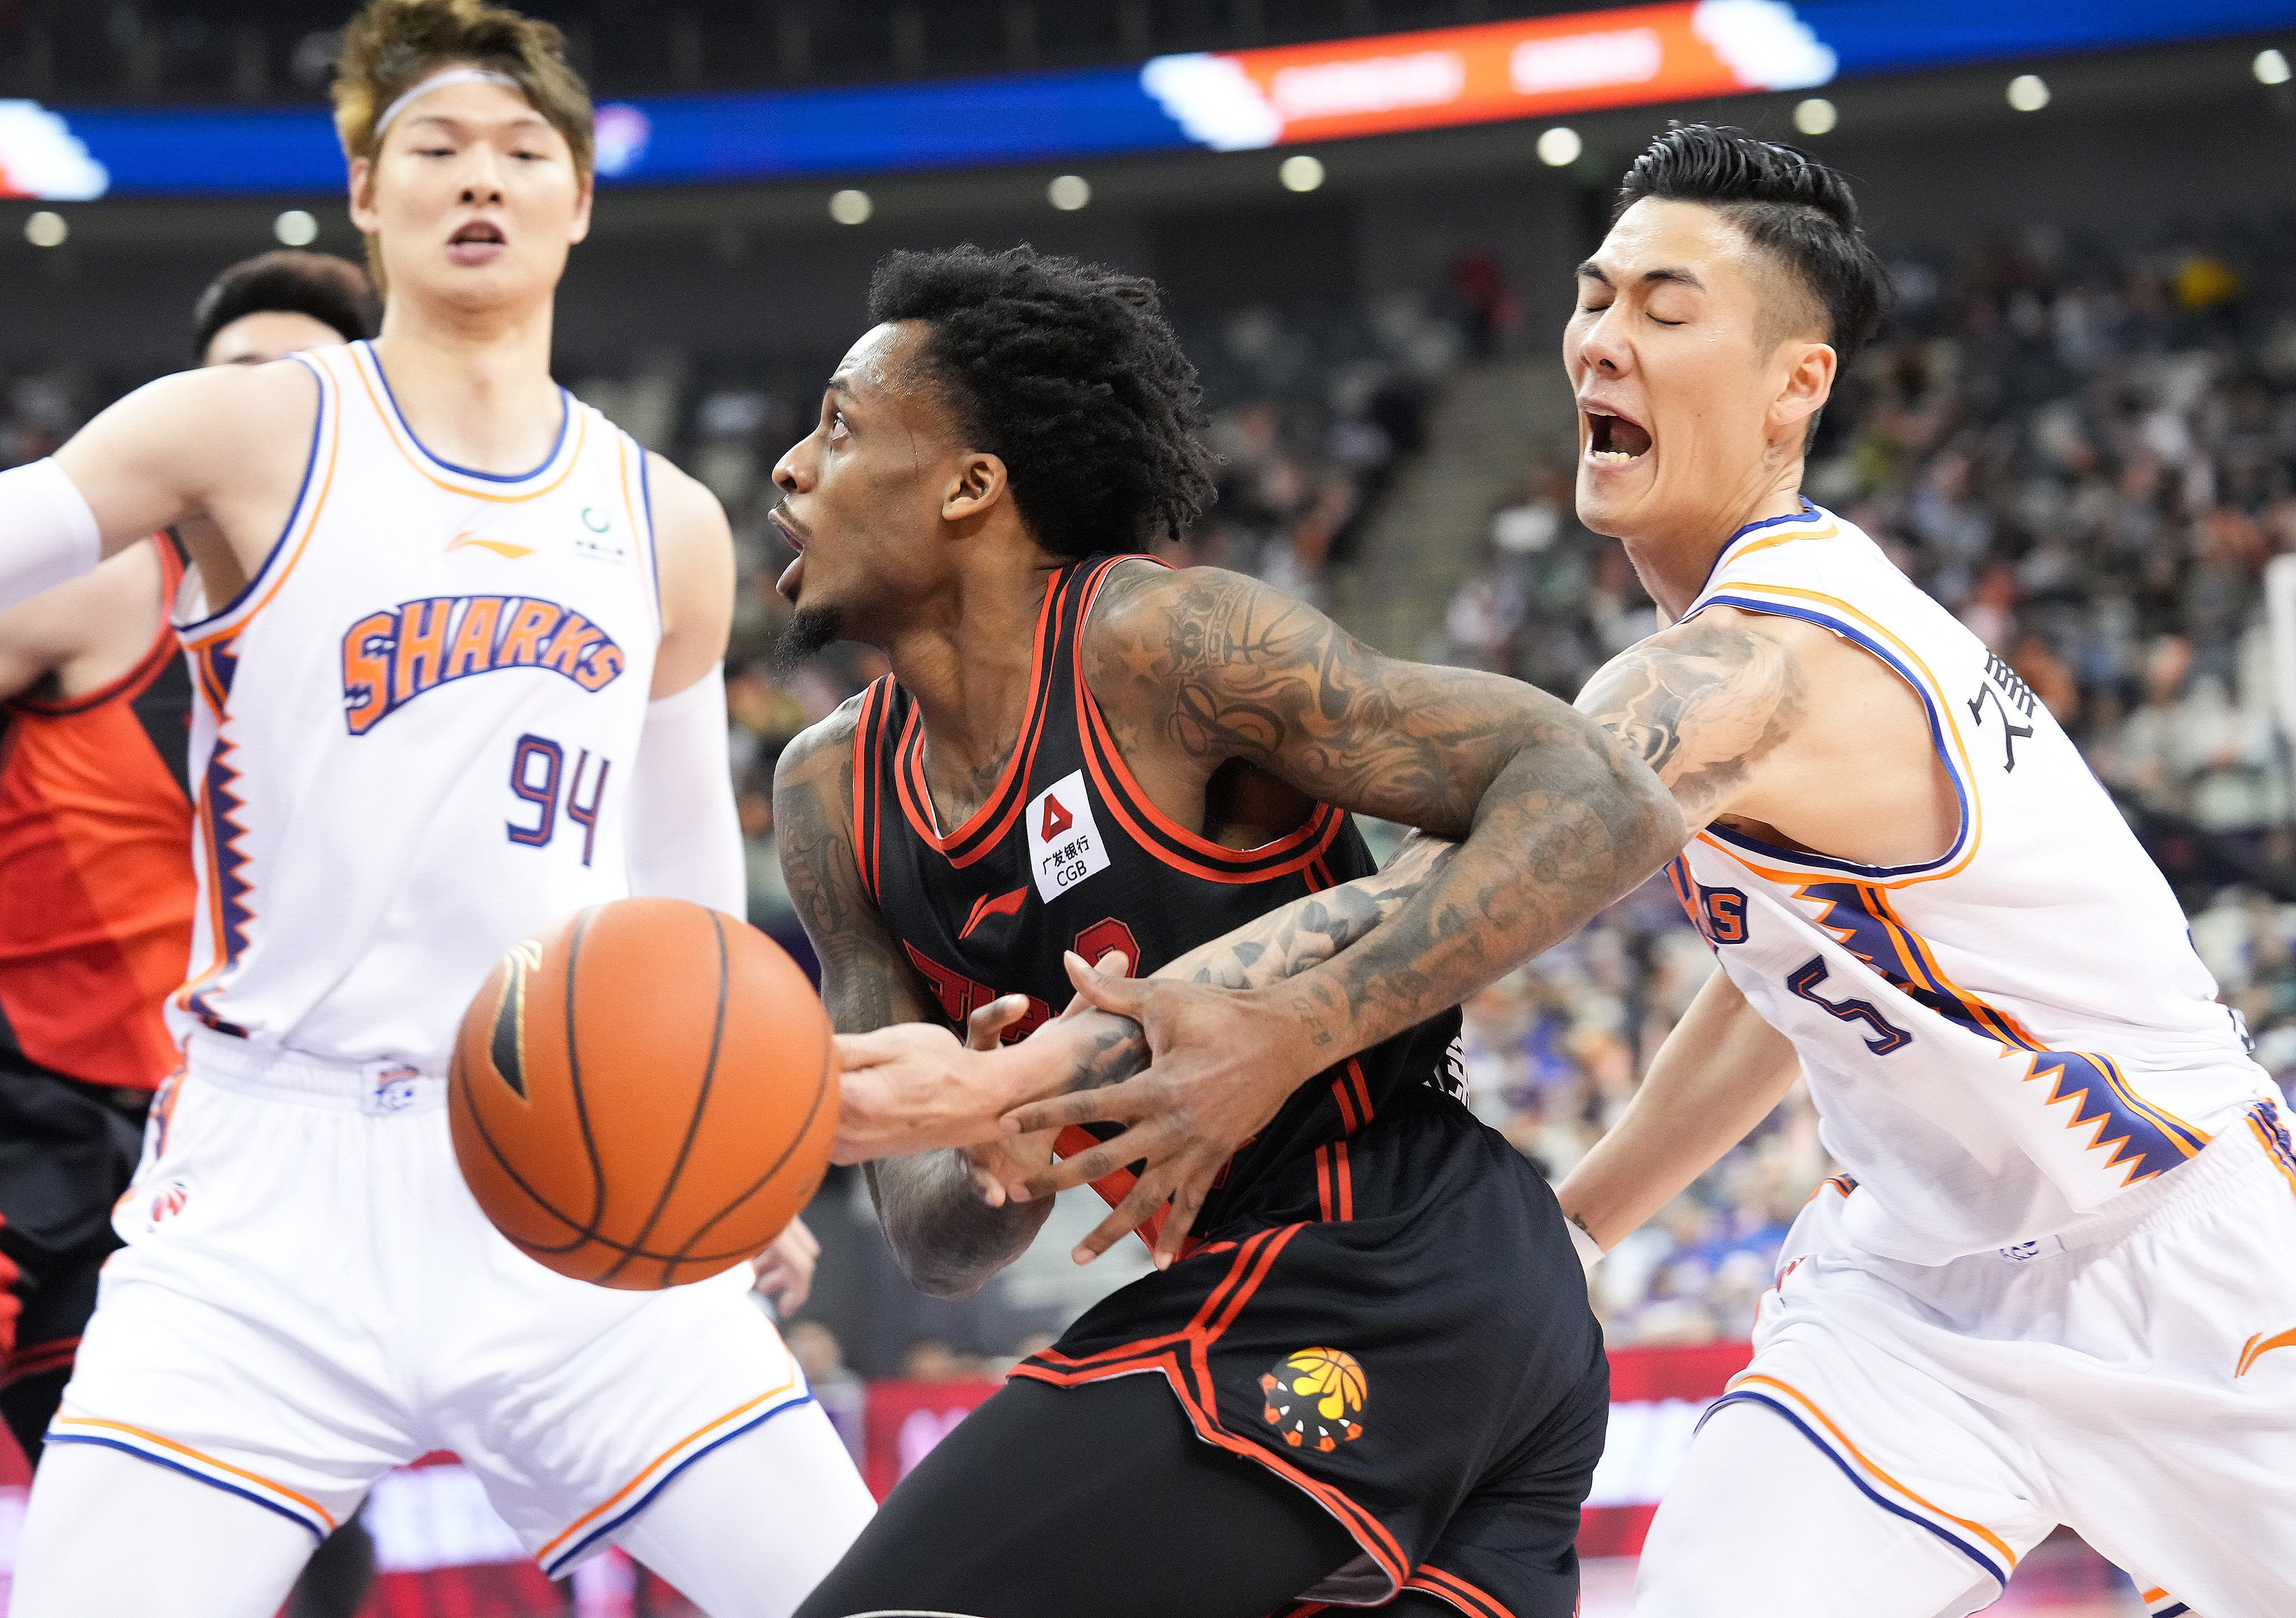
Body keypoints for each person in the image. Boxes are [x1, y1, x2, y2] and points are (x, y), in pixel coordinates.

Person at [0, 3, 870, 1613]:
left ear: (580, 197)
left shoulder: (663, 518)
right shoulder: (243, 428)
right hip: (273, 1200)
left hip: (574, 1177)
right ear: (365, 190)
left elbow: (683, 897)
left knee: (878, 1595)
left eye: (523, 151)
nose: (483, 180)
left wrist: (736, 1167)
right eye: (438, 147)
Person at [765, 244, 1682, 1618]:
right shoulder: (829, 797)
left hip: (1396, 1252)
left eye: (837, 427)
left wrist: (1290, 1028)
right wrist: (991, 1156)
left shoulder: (1157, 644)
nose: (788, 466)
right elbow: (933, 1242)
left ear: (970, 487)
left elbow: (1605, 795)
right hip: (1319, 1298)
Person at [1550, 125, 2296, 1617]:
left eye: (1666, 308)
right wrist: (1583, 1214)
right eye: (1594, 297)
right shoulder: (1731, 650)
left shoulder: (1786, 650)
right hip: (1907, 1288)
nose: (1606, 341)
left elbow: (1507, 825)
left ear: (1795, 382)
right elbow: (1804, 975)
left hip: (2176, 1250)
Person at [0, 248, 375, 1469]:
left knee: (301, 1544)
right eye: (232, 380)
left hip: (266, 1144)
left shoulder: (426, 646)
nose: (254, 411)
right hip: (48, 1120)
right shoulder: (102, 579)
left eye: (295, 384)